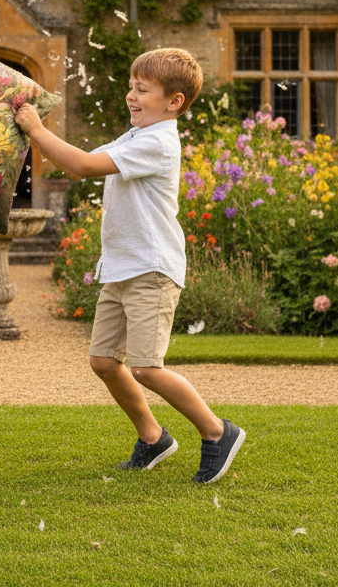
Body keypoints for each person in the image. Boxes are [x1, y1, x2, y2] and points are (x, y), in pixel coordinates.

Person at [15, 48, 245, 484]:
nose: (130, 96)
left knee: (145, 367)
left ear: (173, 101)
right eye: (130, 87)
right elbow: (78, 155)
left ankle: (218, 431)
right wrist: (33, 129)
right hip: (121, 269)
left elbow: (82, 167)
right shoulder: (135, 137)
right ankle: (154, 437)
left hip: (151, 269)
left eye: (142, 90)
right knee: (103, 361)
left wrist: (36, 128)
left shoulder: (159, 141)